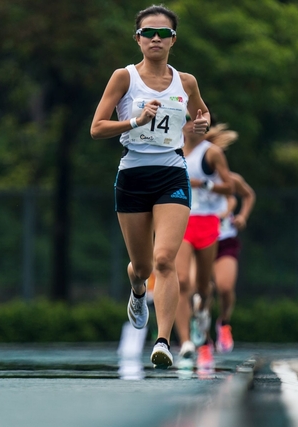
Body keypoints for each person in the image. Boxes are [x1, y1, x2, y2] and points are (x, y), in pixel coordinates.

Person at [90, 5, 211, 368]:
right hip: (132, 175)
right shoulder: (124, 78)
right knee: (142, 266)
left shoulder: (185, 82)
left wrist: (201, 124)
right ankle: (138, 288)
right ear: (137, 38)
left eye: (162, 33)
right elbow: (97, 128)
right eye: (147, 33)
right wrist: (135, 120)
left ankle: (163, 342)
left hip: (172, 172)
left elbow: (202, 113)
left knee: (164, 259)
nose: (154, 39)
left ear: (173, 39)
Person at [175, 122, 235, 370]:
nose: (191, 124)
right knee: (180, 281)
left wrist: (205, 184)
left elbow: (230, 187)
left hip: (208, 222)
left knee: (203, 287)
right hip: (181, 218)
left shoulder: (211, 153)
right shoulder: (172, 149)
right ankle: (186, 343)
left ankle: (205, 318)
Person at [213, 172, 255, 353]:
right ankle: (196, 330)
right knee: (193, 287)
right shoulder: (187, 175)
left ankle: (224, 323)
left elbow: (248, 195)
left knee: (225, 287)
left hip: (224, 241)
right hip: (195, 240)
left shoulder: (230, 179)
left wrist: (242, 216)